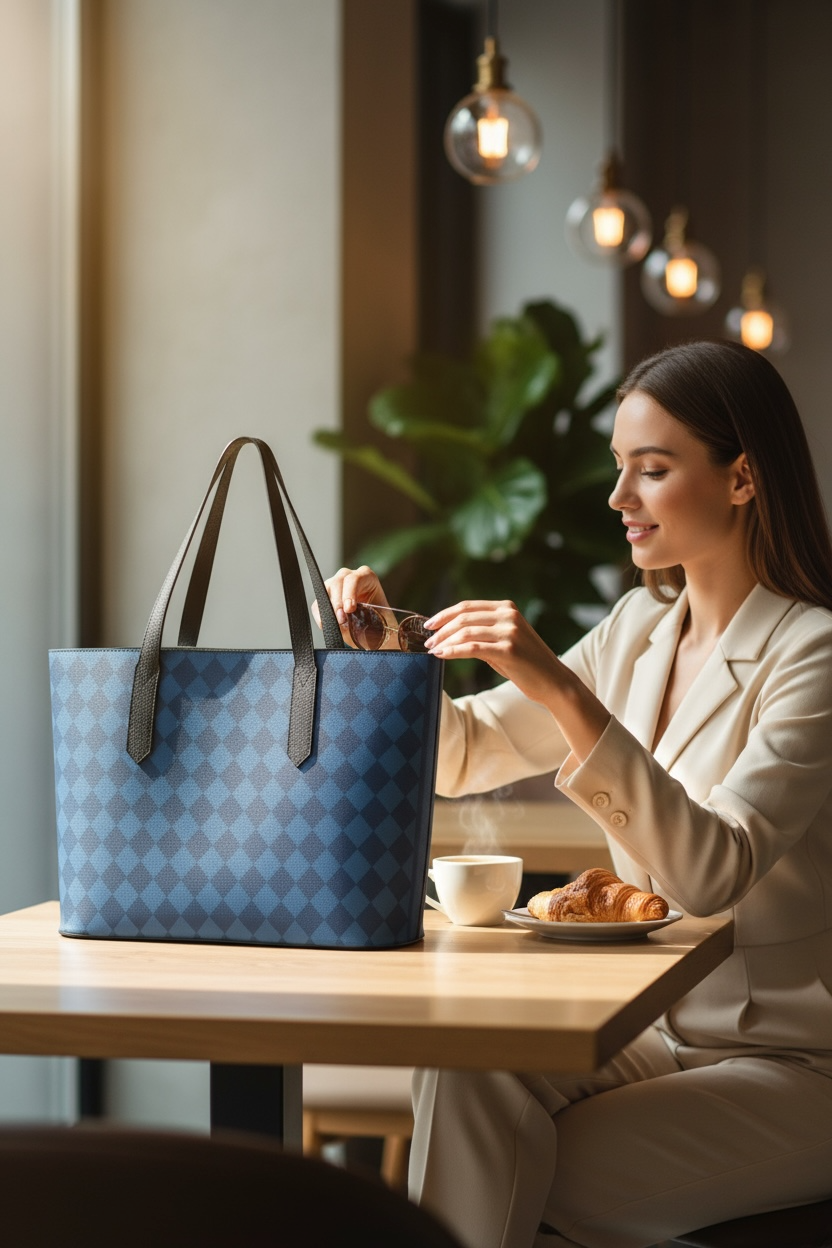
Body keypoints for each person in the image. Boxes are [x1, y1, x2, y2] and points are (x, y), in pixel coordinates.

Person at [319, 339, 832, 1248]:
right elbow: (463, 755)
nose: (618, 499)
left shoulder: (814, 655)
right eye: (618, 470)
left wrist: (558, 684)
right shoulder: (641, 627)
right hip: (650, 1027)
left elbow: (714, 871)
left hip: (790, 1062)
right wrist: (387, 660)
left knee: (542, 1169)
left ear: (743, 477)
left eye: (652, 470)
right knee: (465, 1069)